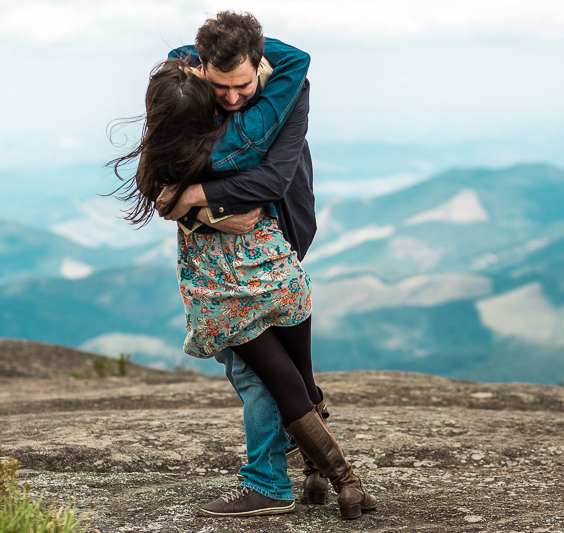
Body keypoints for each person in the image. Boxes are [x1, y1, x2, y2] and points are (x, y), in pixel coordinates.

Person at [112, 12, 377, 520]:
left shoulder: (280, 94)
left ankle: (276, 483)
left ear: (263, 65)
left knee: (265, 379)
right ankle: (321, 477)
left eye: (241, 85)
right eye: (220, 87)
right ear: (199, 71)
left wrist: (193, 197)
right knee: (295, 375)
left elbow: (270, 182)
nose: (232, 99)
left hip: (245, 269)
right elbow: (166, 188)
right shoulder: (190, 104)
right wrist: (210, 208)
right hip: (275, 265)